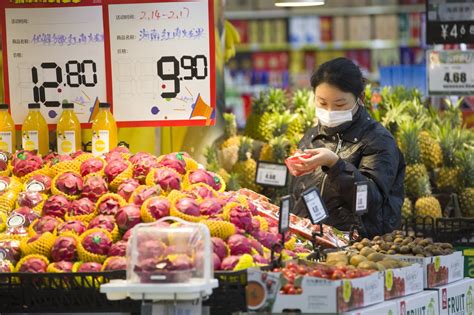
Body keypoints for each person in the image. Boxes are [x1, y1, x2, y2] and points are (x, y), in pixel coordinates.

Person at [289, 57, 405, 238]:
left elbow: (370, 200)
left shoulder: (379, 140)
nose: (329, 111)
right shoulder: (311, 137)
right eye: (322, 103)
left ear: (360, 98)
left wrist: (335, 165)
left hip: (360, 248)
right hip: (311, 243)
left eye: (340, 104)